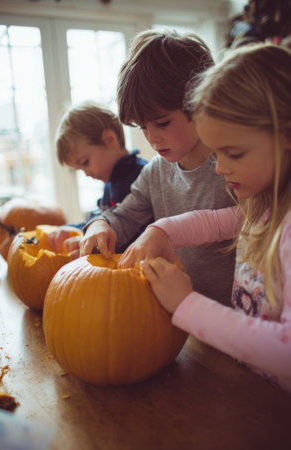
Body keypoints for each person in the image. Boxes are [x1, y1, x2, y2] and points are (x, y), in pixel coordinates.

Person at [139, 43, 291, 392]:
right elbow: (217, 221)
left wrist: (187, 305)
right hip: (258, 391)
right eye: (216, 152)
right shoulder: (264, 207)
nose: (220, 167)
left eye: (233, 153)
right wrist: (162, 230)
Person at [80, 29, 236, 306]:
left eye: (162, 123)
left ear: (202, 102)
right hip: (174, 316)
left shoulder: (234, 165)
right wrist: (99, 224)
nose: (152, 138)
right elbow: (125, 216)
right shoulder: (154, 173)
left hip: (231, 318)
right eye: (143, 127)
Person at [48, 101, 147, 252]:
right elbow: (103, 222)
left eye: (85, 162)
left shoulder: (143, 175)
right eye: (80, 169)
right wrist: (72, 229)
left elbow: (130, 232)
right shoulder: (110, 183)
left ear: (109, 140)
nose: (87, 174)